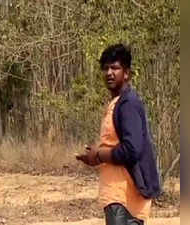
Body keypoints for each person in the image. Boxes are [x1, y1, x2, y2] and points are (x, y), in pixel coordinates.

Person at [75, 44, 161, 225]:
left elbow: (132, 149)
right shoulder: (117, 103)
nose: (109, 73)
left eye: (115, 68)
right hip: (118, 196)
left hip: (123, 196)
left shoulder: (128, 104)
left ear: (127, 73)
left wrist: (98, 155)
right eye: (105, 68)